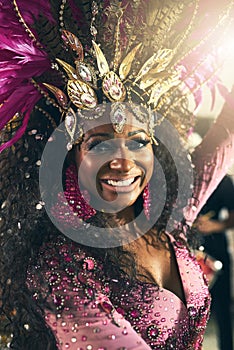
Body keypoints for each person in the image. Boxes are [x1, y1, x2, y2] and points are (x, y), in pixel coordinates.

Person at [0, 1, 234, 349]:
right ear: (71, 156)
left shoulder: (169, 219)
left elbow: (226, 133)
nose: (124, 163)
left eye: (139, 141)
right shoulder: (61, 269)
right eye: (99, 145)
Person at [196, 175, 234, 350]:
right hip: (185, 248)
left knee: (222, 308)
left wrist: (214, 225)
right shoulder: (179, 176)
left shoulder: (223, 180)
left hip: (216, 250)